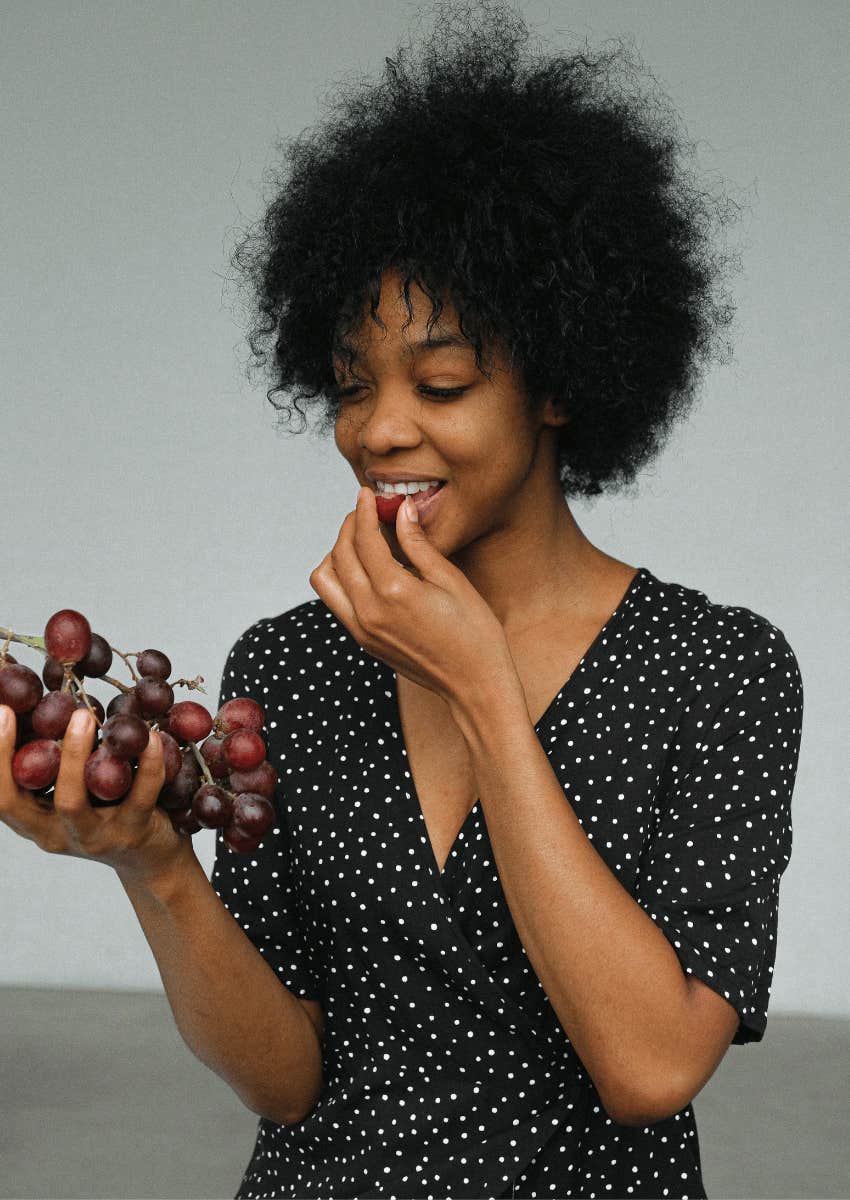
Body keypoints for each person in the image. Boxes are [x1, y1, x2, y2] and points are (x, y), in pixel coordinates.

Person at [0, 3, 804, 1198]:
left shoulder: (717, 670)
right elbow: (286, 1081)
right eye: (347, 385)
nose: (377, 431)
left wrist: (479, 684)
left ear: (559, 384)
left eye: (441, 381)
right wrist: (156, 870)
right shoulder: (295, 663)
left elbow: (647, 1069)